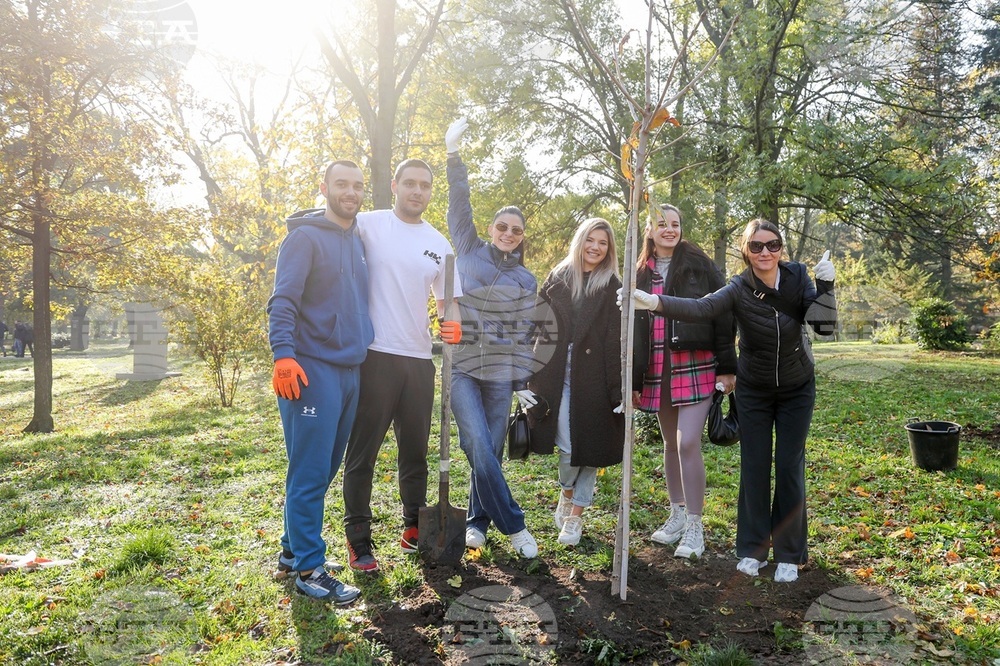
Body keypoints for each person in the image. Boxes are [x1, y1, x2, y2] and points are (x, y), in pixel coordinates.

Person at [623, 218, 836, 582]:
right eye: (756, 246)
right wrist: (655, 302)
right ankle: (754, 549)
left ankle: (789, 552)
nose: (765, 252)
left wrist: (826, 287)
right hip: (754, 389)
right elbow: (702, 308)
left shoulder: (798, 277)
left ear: (781, 248)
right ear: (745, 250)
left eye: (772, 244)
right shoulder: (738, 287)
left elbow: (824, 327)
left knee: (789, 465)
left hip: (797, 387)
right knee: (754, 465)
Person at [341, 157, 462, 573]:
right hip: (374, 355)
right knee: (363, 453)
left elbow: (448, 302)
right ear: (394, 186)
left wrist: (453, 323)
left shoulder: (439, 243)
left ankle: (413, 525)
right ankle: (359, 539)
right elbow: (329, 231)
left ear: (430, 191)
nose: (417, 191)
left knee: (415, 452)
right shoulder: (368, 224)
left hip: (418, 360)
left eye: (424, 185)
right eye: (409, 183)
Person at [266, 159, 372, 604]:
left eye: (357, 186)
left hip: (350, 369)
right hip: (310, 369)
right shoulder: (304, 238)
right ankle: (310, 569)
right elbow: (283, 300)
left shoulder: (358, 240)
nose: (350, 192)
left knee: (323, 469)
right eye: (341, 184)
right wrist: (283, 355)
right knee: (310, 472)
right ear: (324, 188)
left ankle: (292, 552)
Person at [442, 118, 539, 558]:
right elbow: (458, 204)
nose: (508, 233)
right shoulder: (468, 248)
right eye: (502, 226)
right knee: (476, 443)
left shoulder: (526, 280)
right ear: (493, 227)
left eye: (516, 230)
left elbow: (522, 334)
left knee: (492, 449)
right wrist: (453, 156)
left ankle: (477, 523)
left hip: (500, 372)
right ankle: (515, 526)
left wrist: (521, 383)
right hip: (463, 366)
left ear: (522, 237)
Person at [631, 204, 737, 560]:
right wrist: (634, 379)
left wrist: (728, 366)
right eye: (662, 224)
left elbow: (723, 315)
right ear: (649, 230)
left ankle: (695, 524)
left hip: (695, 363)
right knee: (670, 444)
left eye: (675, 224)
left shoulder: (699, 265)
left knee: (687, 441)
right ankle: (676, 513)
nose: (669, 230)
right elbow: (634, 331)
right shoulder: (639, 272)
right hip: (657, 367)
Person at [527, 217, 625, 546]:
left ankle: (576, 516)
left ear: (609, 249)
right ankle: (567, 493)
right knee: (569, 446)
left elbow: (616, 340)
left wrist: (618, 389)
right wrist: (527, 372)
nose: (595, 247)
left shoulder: (612, 285)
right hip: (556, 373)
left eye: (603, 243)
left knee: (591, 448)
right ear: (580, 241)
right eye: (591, 240)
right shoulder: (558, 277)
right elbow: (537, 325)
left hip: (594, 376)